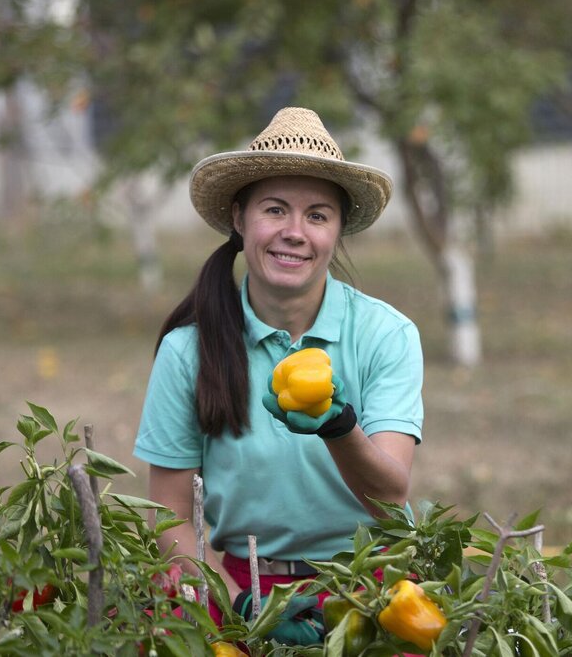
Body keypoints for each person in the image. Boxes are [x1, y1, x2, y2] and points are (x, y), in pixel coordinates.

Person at [133, 107, 424, 645]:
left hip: (374, 584)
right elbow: (169, 519)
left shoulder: (386, 334)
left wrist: (337, 427)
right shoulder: (188, 351)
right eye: (275, 210)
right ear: (239, 220)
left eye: (317, 215)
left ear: (337, 231)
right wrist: (240, 603)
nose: (294, 233)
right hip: (241, 581)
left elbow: (391, 493)